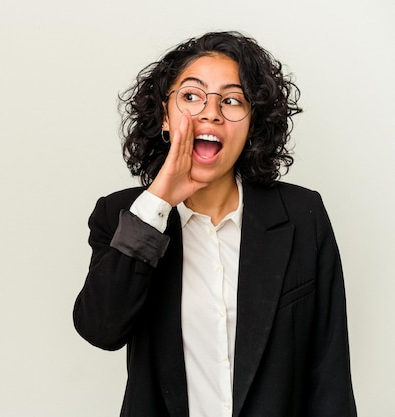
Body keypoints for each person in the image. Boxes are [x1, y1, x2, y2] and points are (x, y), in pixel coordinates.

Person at [73, 31, 356, 417]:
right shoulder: (123, 215)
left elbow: (330, 373)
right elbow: (101, 329)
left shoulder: (302, 214)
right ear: (164, 116)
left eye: (232, 100)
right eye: (191, 96)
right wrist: (158, 202)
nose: (210, 112)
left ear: (252, 123)